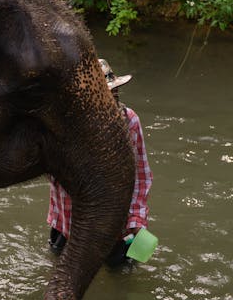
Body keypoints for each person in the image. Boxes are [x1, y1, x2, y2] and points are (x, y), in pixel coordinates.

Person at [47, 58, 153, 266]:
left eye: (113, 93)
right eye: (102, 97)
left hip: (115, 225)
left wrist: (136, 219)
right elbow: (58, 180)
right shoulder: (65, 127)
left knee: (121, 276)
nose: (110, 101)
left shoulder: (129, 120)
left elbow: (141, 175)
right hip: (68, 224)